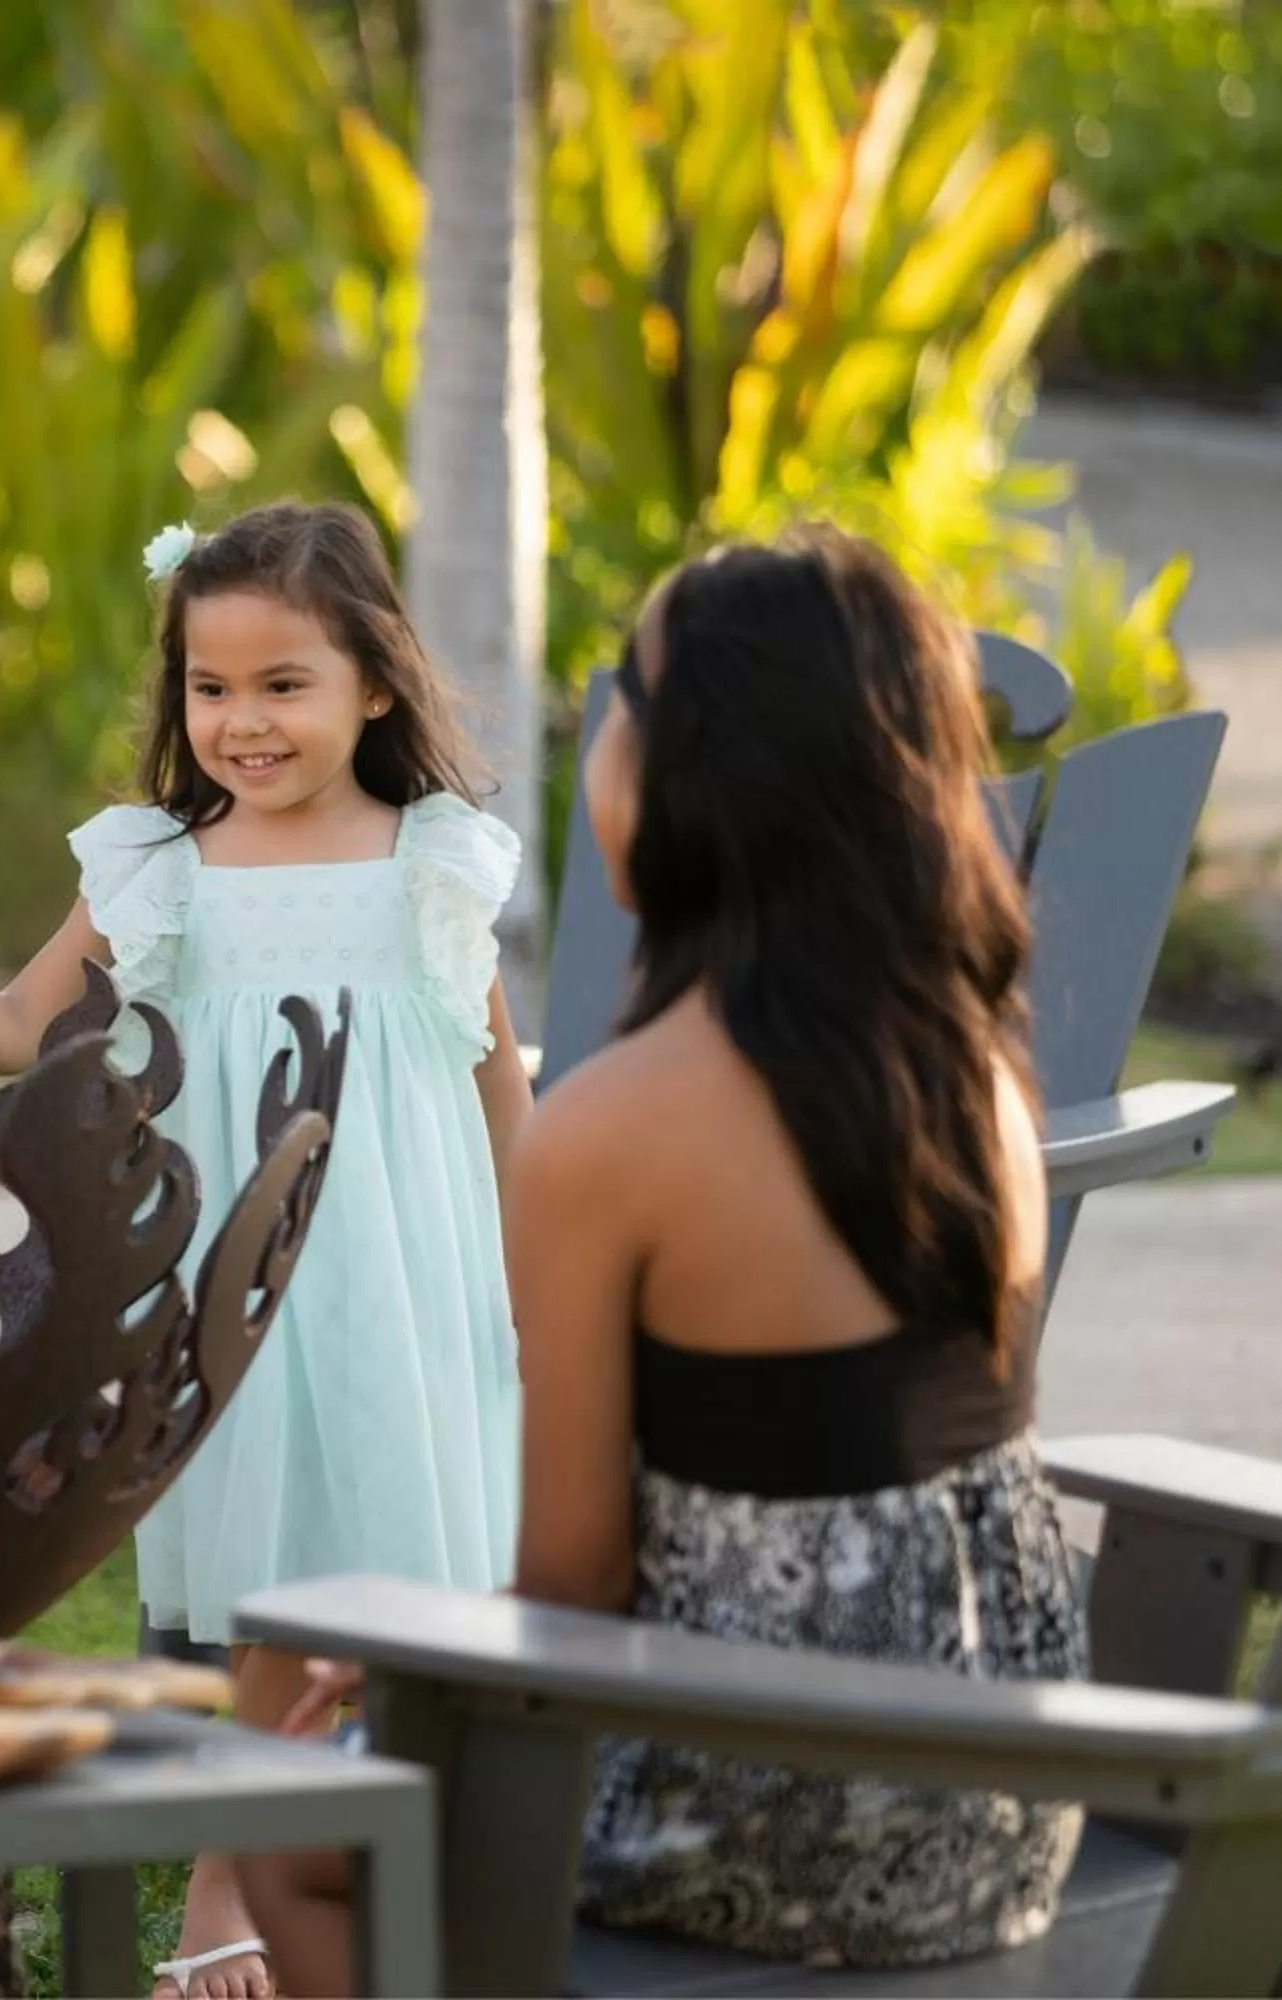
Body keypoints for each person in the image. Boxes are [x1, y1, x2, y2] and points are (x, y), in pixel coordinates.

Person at [245, 527, 1088, 1991]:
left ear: (701, 769)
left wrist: (409, 1663)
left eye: (622, 698)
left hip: (762, 1797)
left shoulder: (613, 1135)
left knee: (295, 1824)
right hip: (1006, 1802)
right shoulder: (978, 1076)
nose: (599, 732)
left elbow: (569, 1585)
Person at [0, 501, 530, 1999]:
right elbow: (23, 1024)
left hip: (400, 1257)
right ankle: (231, 1865)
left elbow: (494, 1079)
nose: (243, 722)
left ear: (376, 687)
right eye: (212, 689)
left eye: (286, 686)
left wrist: (540, 1264)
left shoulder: (433, 861)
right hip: (229, 1263)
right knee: (262, 1538)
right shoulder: (160, 865)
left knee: (392, 1525)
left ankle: (388, 1847)